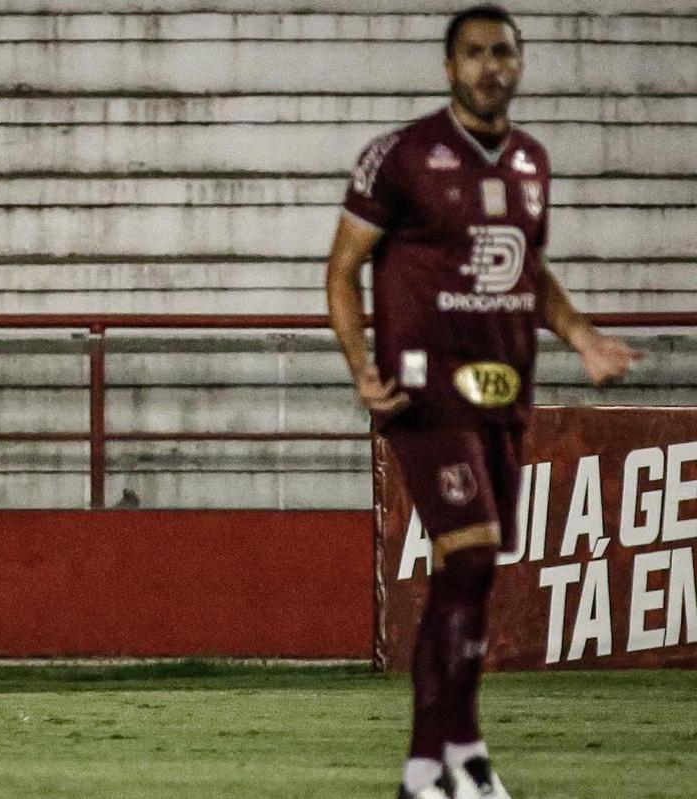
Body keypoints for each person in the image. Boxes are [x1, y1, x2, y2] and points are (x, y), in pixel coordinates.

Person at [323, 6, 640, 798]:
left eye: (503, 52)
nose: (490, 66)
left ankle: (448, 759)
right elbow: (341, 269)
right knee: (469, 551)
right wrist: (362, 364)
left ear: (520, 63)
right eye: (473, 54)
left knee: (472, 569)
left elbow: (527, 272)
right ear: (448, 66)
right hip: (422, 388)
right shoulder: (400, 157)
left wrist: (585, 339)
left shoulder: (532, 161)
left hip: (502, 390)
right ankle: (438, 760)